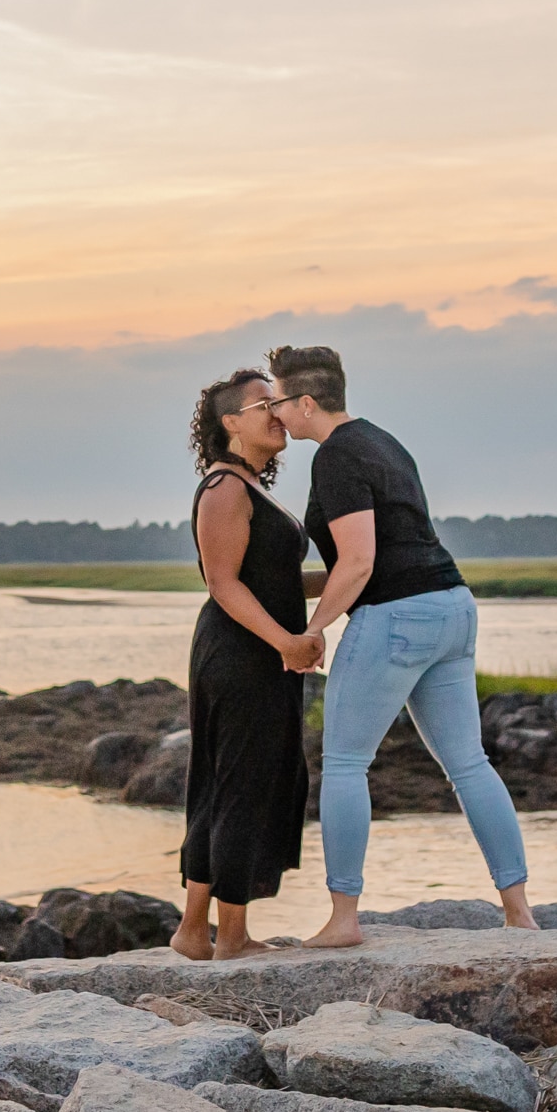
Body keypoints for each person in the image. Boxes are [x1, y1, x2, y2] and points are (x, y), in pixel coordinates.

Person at [271, 342, 530, 948]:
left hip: (396, 618)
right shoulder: (384, 441)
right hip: (452, 607)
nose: (275, 414)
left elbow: (359, 563)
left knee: (344, 764)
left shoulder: (335, 457)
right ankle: (519, 911)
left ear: (306, 402)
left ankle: (344, 918)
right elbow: (388, 551)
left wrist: (311, 632)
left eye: (279, 402)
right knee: (469, 763)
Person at [171, 366, 325, 959]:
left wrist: (353, 578)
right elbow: (225, 585)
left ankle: (193, 931)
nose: (278, 409)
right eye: (265, 403)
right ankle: (229, 936)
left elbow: (277, 582)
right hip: (239, 653)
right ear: (232, 422)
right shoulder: (225, 488)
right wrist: (287, 643)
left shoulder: (250, 486)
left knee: (230, 780)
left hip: (254, 649)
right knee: (241, 782)